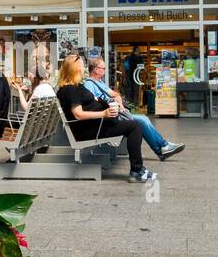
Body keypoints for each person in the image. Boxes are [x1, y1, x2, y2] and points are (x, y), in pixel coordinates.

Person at [56, 54, 156, 184]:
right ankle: (136, 171)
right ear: (75, 69)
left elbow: (89, 101)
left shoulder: (75, 87)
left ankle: (138, 169)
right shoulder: (70, 90)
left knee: (134, 125)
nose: (84, 68)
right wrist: (104, 113)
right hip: (90, 130)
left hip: (96, 125)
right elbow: (78, 114)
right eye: (81, 66)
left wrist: (102, 103)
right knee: (135, 126)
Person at [84, 55, 184, 161]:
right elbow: (93, 103)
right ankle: (162, 147)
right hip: (107, 117)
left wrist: (120, 103)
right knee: (142, 120)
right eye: (102, 68)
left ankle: (162, 148)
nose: (105, 70)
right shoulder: (89, 84)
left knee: (143, 119)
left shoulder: (99, 82)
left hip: (116, 113)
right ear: (95, 70)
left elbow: (115, 94)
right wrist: (111, 105)